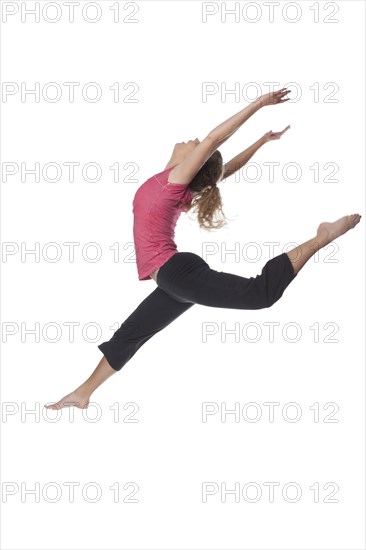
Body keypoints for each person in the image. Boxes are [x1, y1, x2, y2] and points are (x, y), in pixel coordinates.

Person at [45, 88, 361, 410]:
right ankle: (83, 393)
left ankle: (321, 237)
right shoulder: (176, 184)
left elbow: (213, 141)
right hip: (173, 282)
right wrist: (261, 142)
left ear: (192, 164)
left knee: (260, 294)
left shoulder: (174, 183)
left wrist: (259, 104)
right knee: (132, 333)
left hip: (175, 273)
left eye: (196, 147)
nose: (194, 140)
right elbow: (225, 168)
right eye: (196, 144)